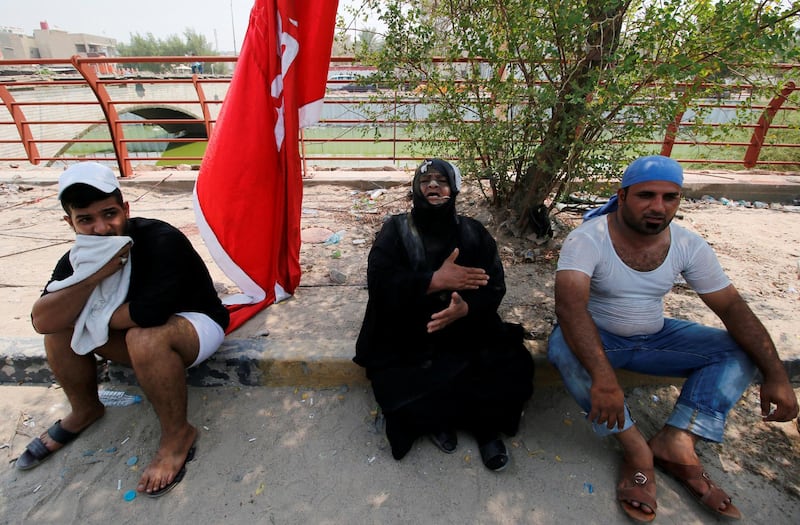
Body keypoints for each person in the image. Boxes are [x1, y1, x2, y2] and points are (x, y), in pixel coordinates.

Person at [547, 155, 798, 522]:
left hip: (656, 338)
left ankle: (678, 440)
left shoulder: (687, 244)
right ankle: (636, 450)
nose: (658, 207)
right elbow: (570, 309)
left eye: (670, 197)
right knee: (563, 349)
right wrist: (603, 378)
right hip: (602, 340)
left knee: (739, 351)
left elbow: (732, 308)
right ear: (623, 195)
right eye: (646, 195)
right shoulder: (589, 239)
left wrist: (776, 375)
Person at [19, 162, 230, 498]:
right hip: (128, 333)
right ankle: (85, 409)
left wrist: (85, 314)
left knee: (143, 336)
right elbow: (43, 320)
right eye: (86, 219)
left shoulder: (161, 239)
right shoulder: (78, 258)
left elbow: (150, 313)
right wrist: (93, 277)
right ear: (70, 222)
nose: (101, 228)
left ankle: (178, 436)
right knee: (59, 328)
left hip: (193, 325)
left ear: (125, 209)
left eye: (109, 214)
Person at [354, 158, 534, 471]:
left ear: (454, 189)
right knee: (405, 380)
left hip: (466, 329)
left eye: (441, 180)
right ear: (415, 189)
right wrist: (433, 281)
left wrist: (467, 308)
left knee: (510, 365)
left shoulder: (473, 233)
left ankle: (482, 430)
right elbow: (379, 284)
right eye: (425, 181)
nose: (433, 185)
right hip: (407, 332)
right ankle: (440, 422)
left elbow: (494, 285)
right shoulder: (395, 231)